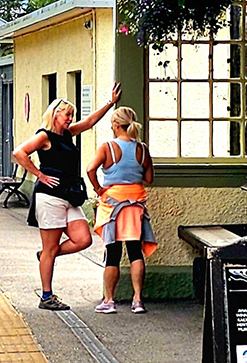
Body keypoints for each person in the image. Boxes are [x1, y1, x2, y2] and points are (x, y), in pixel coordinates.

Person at [12, 84, 119, 311]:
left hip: (69, 197)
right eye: (67, 114)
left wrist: (110, 103)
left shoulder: (68, 135)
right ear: (55, 114)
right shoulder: (44, 136)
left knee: (83, 239)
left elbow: (89, 123)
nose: (70, 118)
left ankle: (45, 257)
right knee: (51, 248)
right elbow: (19, 153)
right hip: (49, 197)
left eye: (72, 115)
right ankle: (47, 295)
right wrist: (39, 174)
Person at [87, 107, 156, 314]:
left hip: (113, 205)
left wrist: (99, 189)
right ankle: (137, 300)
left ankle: (109, 300)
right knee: (135, 252)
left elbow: (90, 169)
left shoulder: (107, 147)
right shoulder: (142, 149)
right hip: (136, 205)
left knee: (113, 254)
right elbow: (150, 178)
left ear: (116, 125)